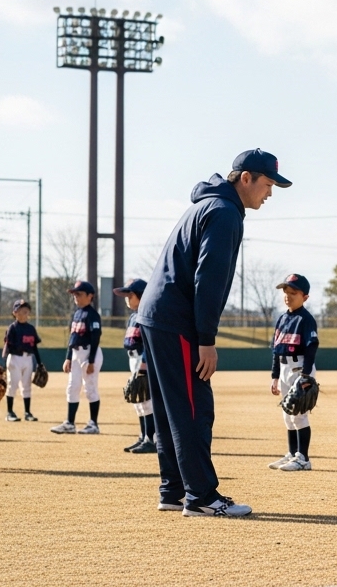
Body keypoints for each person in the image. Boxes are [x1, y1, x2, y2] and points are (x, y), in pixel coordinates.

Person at [134, 149, 290, 517]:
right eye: (268, 184)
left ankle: (173, 490)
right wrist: (207, 339)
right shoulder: (224, 213)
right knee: (193, 409)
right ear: (246, 178)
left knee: (172, 408)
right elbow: (209, 279)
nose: (270, 193)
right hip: (178, 320)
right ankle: (201, 496)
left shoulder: (209, 205)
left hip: (156, 316)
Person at [268, 273, 318, 472]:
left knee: (299, 414)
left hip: (299, 368)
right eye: (286, 292)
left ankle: (303, 458)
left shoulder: (305, 319)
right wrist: (274, 376)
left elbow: (312, 346)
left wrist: (306, 376)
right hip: (284, 367)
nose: (288, 296)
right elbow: (276, 349)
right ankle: (292, 453)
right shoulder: (282, 318)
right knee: (288, 413)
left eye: (293, 293)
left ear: (305, 297)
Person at [51, 281, 103, 435]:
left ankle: (93, 424)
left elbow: (95, 338)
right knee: (72, 387)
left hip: (89, 352)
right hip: (76, 353)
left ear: (90, 296)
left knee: (90, 388)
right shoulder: (76, 314)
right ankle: (70, 423)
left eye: (79, 294)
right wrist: (68, 358)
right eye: (74, 294)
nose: (76, 297)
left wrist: (91, 360)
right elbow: (72, 337)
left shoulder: (92, 315)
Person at [115, 278, 157, 454]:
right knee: (138, 400)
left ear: (141, 296)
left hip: (143, 359)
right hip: (133, 358)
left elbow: (149, 343)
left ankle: (151, 439)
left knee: (146, 400)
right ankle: (143, 436)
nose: (126, 298)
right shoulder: (133, 317)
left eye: (129, 295)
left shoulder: (146, 315)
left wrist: (145, 364)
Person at [3, 299, 41, 422]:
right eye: (22, 310)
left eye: (26, 310)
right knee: (12, 385)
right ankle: (9, 412)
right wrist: (3, 365)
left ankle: (27, 412)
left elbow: (34, 346)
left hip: (28, 359)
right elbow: (7, 346)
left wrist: (39, 363)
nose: (25, 312)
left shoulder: (31, 328)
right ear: (15, 312)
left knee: (27, 386)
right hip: (14, 358)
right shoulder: (12, 328)